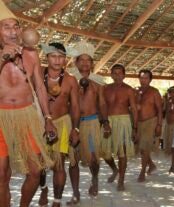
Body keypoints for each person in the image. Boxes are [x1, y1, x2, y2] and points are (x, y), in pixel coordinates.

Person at [0, 3, 55, 206]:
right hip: (0, 117)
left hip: (27, 116)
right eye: (6, 27)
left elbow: (40, 87)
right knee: (1, 175)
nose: (13, 31)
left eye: (16, 27)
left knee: (35, 170)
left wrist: (48, 118)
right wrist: (3, 56)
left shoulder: (30, 54)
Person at [65, 41, 111, 205]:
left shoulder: (98, 81)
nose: (84, 63)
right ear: (76, 62)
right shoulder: (69, 79)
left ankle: (95, 178)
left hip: (91, 123)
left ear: (92, 63)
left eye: (88, 60)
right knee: (73, 159)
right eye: (81, 60)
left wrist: (105, 122)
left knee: (93, 159)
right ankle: (76, 193)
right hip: (72, 124)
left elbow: (103, 103)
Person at [38, 42, 80, 207]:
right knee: (39, 165)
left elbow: (76, 107)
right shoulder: (38, 74)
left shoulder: (70, 81)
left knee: (59, 164)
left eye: (61, 57)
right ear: (47, 57)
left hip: (62, 123)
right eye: (53, 56)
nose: (57, 60)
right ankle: (44, 189)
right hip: (39, 122)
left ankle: (57, 201)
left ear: (65, 60)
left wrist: (75, 129)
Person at [101, 64, 137, 191]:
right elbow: (103, 106)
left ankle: (121, 180)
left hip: (124, 121)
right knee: (104, 152)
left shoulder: (129, 90)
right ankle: (114, 169)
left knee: (122, 152)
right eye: (114, 73)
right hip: (108, 121)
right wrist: (105, 122)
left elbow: (133, 109)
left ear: (124, 75)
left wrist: (135, 128)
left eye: (119, 73)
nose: (117, 76)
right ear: (111, 75)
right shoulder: (105, 89)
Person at [136, 70, 163, 182]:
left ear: (150, 79)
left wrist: (159, 125)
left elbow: (160, 110)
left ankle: (142, 172)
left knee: (145, 148)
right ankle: (151, 165)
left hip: (151, 121)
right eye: (142, 78)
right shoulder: (136, 91)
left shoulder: (154, 92)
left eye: (146, 78)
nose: (143, 80)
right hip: (139, 123)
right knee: (142, 149)